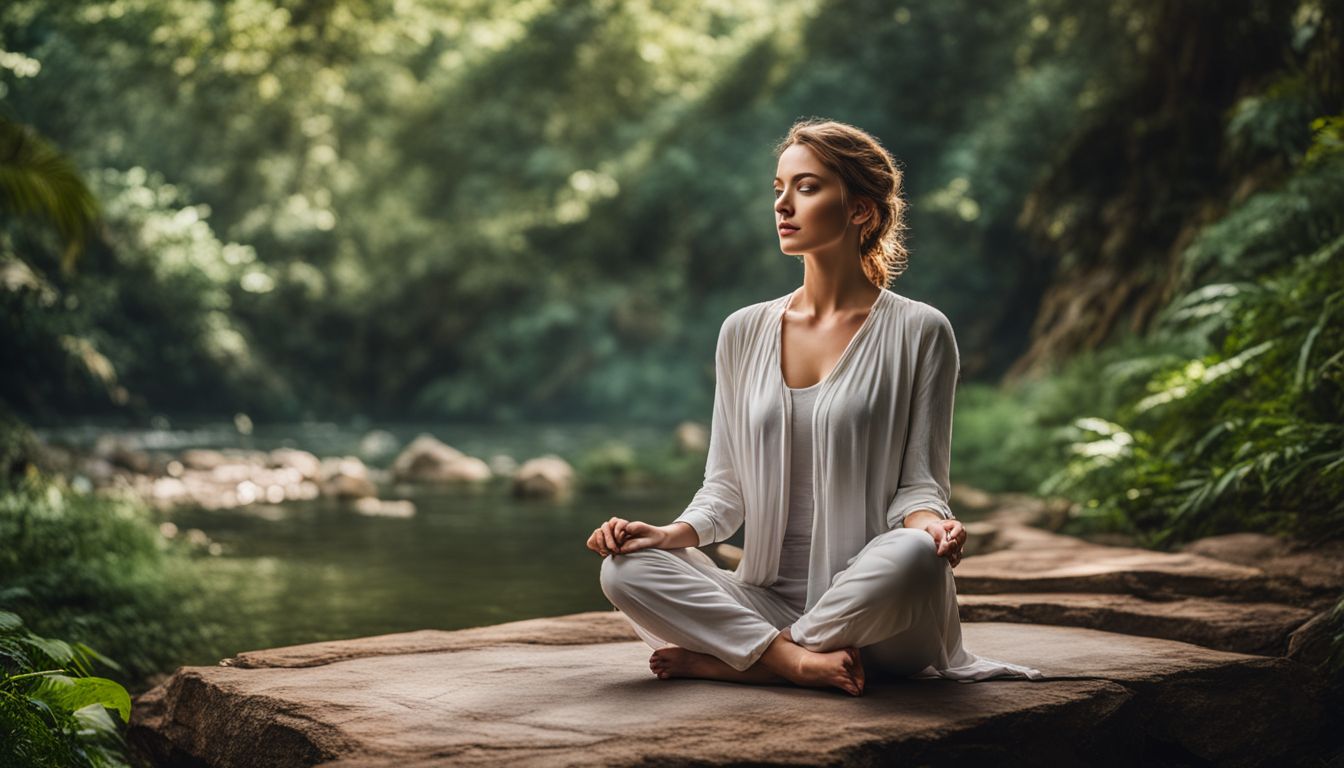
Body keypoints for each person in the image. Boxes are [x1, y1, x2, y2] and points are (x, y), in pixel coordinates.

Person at [587, 118, 1043, 697]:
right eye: (777, 189)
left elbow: (921, 485)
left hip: (880, 616)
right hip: (762, 599)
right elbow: (725, 491)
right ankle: (796, 660)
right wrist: (668, 533)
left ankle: (746, 660)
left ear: (861, 211)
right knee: (623, 568)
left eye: (806, 187)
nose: (783, 204)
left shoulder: (921, 330)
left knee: (913, 555)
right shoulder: (742, 331)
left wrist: (936, 528)